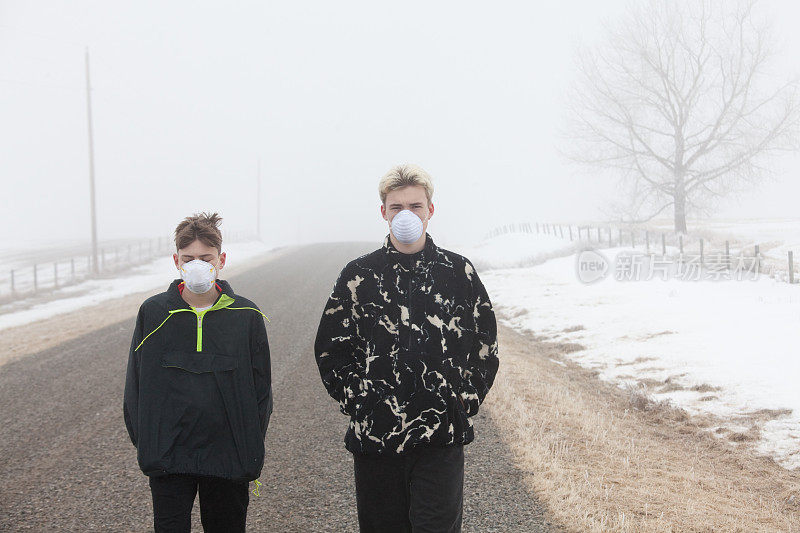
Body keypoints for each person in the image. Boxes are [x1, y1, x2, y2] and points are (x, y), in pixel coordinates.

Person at [314, 164, 499, 532]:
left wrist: (463, 399)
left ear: (430, 210)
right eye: (396, 207)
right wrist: (360, 399)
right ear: (383, 212)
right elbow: (330, 349)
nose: (406, 215)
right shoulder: (358, 275)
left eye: (415, 206)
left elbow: (485, 345)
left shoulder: (458, 272)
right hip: (376, 439)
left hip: (440, 436)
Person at [123, 212, 273, 533]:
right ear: (176, 260)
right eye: (189, 258)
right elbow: (135, 385)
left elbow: (261, 392)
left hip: (228, 457)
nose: (197, 266)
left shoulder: (246, 315)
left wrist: (247, 445)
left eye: (205, 258)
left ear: (221, 260)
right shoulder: (153, 312)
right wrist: (149, 443)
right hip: (169, 457)